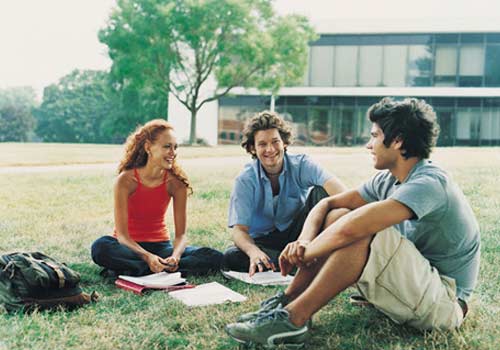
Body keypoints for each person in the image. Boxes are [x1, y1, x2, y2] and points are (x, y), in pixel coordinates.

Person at [226, 97, 481, 347]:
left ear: (398, 141)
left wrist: (306, 253)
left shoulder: (429, 183)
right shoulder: (388, 180)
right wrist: (303, 241)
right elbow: (327, 204)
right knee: (340, 214)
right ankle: (286, 302)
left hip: (444, 304)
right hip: (416, 285)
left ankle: (294, 320)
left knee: (362, 231)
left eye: (374, 136)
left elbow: (353, 229)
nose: (368, 145)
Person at [91, 119, 223, 277]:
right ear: (148, 147)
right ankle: (152, 268)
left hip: (161, 248)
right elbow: (122, 236)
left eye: (175, 147)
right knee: (100, 247)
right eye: (167, 146)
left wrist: (175, 257)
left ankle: (134, 269)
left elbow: (181, 236)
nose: (173, 153)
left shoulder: (176, 184)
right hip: (129, 247)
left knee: (214, 257)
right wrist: (147, 257)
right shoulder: (125, 181)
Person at [222, 111, 346, 276]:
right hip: (265, 241)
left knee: (322, 193)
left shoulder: (302, 164)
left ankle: (306, 256)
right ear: (252, 148)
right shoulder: (245, 180)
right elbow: (240, 230)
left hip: (301, 232)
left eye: (275, 142)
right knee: (232, 257)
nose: (270, 149)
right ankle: (303, 261)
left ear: (285, 143)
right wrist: (253, 252)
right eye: (262, 144)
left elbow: (342, 193)